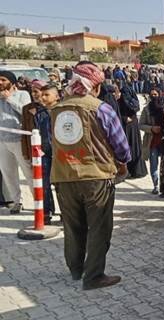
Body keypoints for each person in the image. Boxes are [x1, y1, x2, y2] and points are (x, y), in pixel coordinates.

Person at [50, 61, 131, 290]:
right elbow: (121, 147)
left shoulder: (56, 109)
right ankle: (94, 276)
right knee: (99, 227)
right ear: (94, 86)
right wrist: (123, 164)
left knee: (73, 226)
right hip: (96, 177)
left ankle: (76, 269)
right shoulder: (101, 108)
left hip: (63, 177)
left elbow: (53, 143)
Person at [0, 70, 34, 214]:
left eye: (3, 80)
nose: (0, 83)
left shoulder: (23, 95)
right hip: (2, 141)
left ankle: (39, 202)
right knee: (8, 173)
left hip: (20, 140)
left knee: (29, 172)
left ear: (12, 82)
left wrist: (9, 99)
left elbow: (27, 112)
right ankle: (16, 202)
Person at [37, 84, 60, 224]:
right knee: (44, 184)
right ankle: (46, 212)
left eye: (47, 95)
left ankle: (66, 212)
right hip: (44, 153)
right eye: (42, 95)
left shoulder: (63, 111)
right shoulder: (39, 113)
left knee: (61, 185)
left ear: (56, 96)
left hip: (60, 154)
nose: (43, 97)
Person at [118, 81, 147, 179]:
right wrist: (124, 118)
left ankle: (133, 170)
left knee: (133, 147)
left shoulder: (124, 100)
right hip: (127, 126)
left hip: (130, 127)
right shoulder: (129, 100)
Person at [139, 88, 164, 195]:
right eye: (152, 94)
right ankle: (156, 185)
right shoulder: (146, 110)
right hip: (152, 140)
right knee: (153, 164)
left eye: (156, 94)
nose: (154, 96)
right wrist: (151, 128)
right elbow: (141, 125)